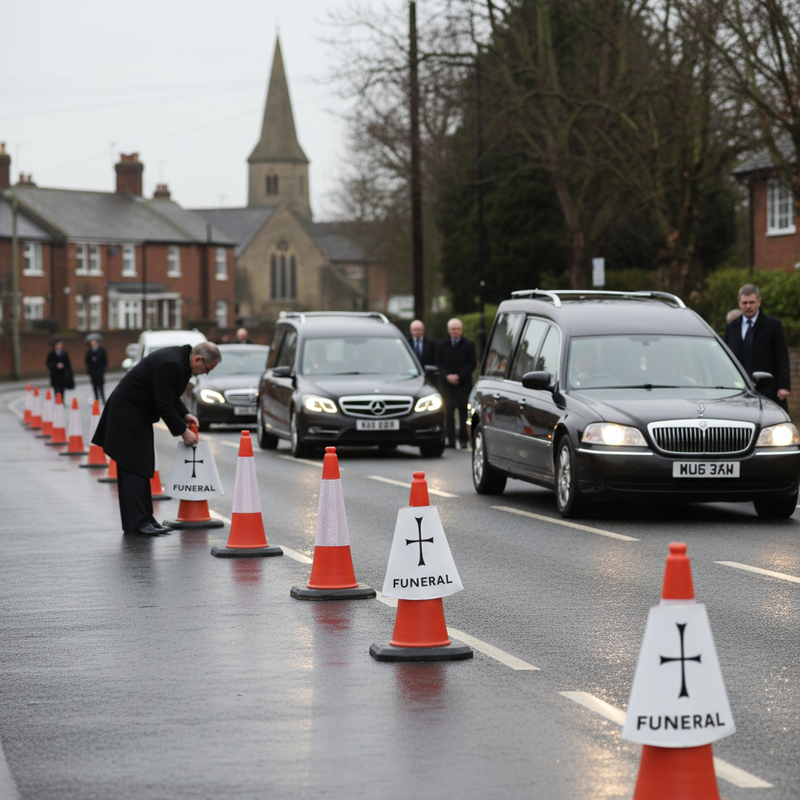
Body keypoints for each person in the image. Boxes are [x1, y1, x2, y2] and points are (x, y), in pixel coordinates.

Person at [92, 342, 221, 536]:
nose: (206, 373)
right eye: (207, 369)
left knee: (141, 468)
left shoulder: (180, 361)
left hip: (135, 414)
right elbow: (163, 403)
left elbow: (170, 396)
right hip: (127, 414)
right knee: (135, 468)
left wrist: (185, 415)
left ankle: (145, 519)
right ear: (198, 359)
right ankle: (139, 523)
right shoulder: (173, 363)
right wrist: (183, 431)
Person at [724, 283, 790, 410]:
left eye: (752, 302)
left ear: (759, 302)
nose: (748, 306)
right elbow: (727, 358)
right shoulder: (731, 327)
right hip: (739, 389)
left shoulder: (773, 325)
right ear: (739, 303)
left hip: (767, 388)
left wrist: (784, 386)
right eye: (744, 303)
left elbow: (781, 356)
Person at [435, 318, 477, 449]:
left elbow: (472, 363)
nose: (455, 332)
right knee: (448, 413)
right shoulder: (441, 345)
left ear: (461, 330)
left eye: (458, 329)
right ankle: (450, 439)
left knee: (464, 413)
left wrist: (459, 376)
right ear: (449, 330)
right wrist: (447, 376)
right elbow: (438, 363)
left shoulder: (469, 345)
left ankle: (464, 439)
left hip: (463, 384)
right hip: (447, 385)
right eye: (453, 329)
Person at [85, 337, 108, 403]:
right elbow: (87, 362)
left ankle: (103, 398)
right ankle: (96, 398)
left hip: (100, 371)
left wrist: (102, 368)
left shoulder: (101, 350)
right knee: (94, 385)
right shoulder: (89, 352)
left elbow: (105, 360)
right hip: (93, 372)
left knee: (101, 385)